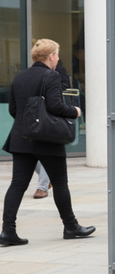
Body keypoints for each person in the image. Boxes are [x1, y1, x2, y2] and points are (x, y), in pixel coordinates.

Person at [1, 39, 95, 246]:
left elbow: (13, 110)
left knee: (17, 184)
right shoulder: (51, 75)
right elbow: (55, 106)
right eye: (57, 54)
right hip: (46, 140)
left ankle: (7, 231)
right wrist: (76, 111)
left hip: (21, 138)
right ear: (51, 56)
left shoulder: (20, 76)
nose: (58, 58)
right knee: (60, 182)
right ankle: (70, 226)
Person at [33, 57, 71, 199]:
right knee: (32, 154)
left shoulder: (57, 71)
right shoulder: (34, 71)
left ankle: (42, 187)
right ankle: (47, 179)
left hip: (51, 116)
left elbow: (62, 91)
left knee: (47, 152)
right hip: (36, 114)